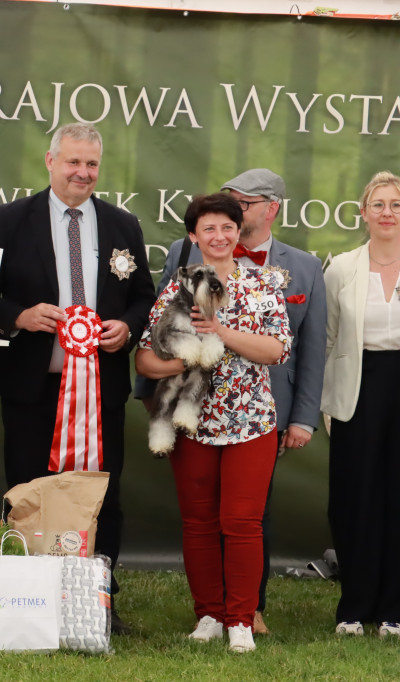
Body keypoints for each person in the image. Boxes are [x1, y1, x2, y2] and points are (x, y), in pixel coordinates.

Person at [0, 122, 155, 632]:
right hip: (32, 387)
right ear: (50, 161)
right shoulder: (13, 219)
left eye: (92, 164)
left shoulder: (123, 225)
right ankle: (27, 599)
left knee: (104, 495)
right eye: (73, 162)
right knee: (30, 490)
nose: (82, 172)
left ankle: (100, 598)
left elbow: (145, 295)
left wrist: (128, 325)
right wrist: (18, 315)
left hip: (100, 389)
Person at [140, 169, 327, 635]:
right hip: (192, 419)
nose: (220, 235)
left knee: (242, 522)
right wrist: (184, 362)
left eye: (228, 226)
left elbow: (277, 349)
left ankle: (241, 619)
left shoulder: (263, 285)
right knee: (199, 521)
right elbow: (146, 358)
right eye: (210, 228)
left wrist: (219, 333)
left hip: (251, 419)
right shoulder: (177, 288)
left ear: (236, 231)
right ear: (194, 236)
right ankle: (208, 614)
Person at [321, 170, 400, 638]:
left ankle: (394, 608)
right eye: (380, 204)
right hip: (357, 391)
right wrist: (328, 405)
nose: (388, 213)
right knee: (355, 499)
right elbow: (328, 339)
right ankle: (354, 605)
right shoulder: (343, 268)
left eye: (396, 204)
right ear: (363, 213)